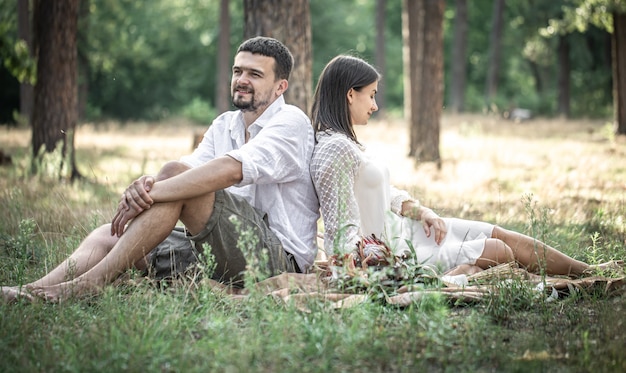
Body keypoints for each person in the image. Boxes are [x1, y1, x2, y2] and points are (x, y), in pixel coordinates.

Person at [1, 36, 319, 303]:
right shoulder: (226, 124)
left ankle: (85, 285)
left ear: (280, 86)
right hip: (223, 249)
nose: (241, 80)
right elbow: (188, 170)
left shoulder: (291, 122)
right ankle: (31, 292)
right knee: (109, 235)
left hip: (277, 260)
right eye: (238, 71)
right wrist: (151, 184)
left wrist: (151, 192)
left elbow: (231, 171)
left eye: (255, 74)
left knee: (177, 181)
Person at [309, 55, 615, 278]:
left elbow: (384, 192)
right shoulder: (334, 149)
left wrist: (424, 212)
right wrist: (370, 270)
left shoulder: (347, 143)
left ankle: (589, 272)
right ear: (351, 94)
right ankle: (457, 274)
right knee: (499, 251)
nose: (375, 105)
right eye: (371, 95)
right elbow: (340, 230)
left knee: (500, 234)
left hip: (407, 230)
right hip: (395, 252)